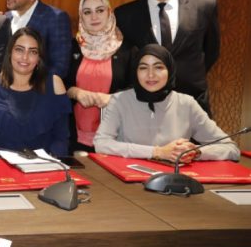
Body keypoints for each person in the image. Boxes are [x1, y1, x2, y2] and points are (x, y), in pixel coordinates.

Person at [114, 0, 220, 115]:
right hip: (143, 105)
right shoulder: (124, 14)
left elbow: (212, 51)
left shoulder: (204, 7)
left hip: (193, 101)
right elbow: (125, 61)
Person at [93, 44, 239, 162]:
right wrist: (157, 152)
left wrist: (196, 152)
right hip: (127, 178)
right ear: (135, 72)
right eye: (143, 68)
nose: (151, 74)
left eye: (158, 67)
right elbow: (101, 144)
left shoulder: (186, 104)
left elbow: (230, 148)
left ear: (170, 70)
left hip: (173, 179)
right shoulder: (120, 100)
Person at [0, 27, 70, 157]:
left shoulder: (55, 84)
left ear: (39, 58)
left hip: (45, 165)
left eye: (33, 52)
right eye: (19, 50)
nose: (25, 57)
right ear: (10, 53)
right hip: (2, 165)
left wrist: (48, 161)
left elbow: (61, 139)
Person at [66, 0, 134, 152]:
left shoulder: (127, 49)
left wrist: (113, 98)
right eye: (87, 12)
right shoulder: (71, 47)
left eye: (100, 10)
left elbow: (137, 88)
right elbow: (58, 82)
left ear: (109, 12)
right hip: (74, 137)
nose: (94, 17)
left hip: (116, 137)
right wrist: (74, 92)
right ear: (81, 17)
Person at [5, 0, 72, 79]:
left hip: (40, 87)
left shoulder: (55, 18)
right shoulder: (5, 18)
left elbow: (60, 67)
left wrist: (27, 86)